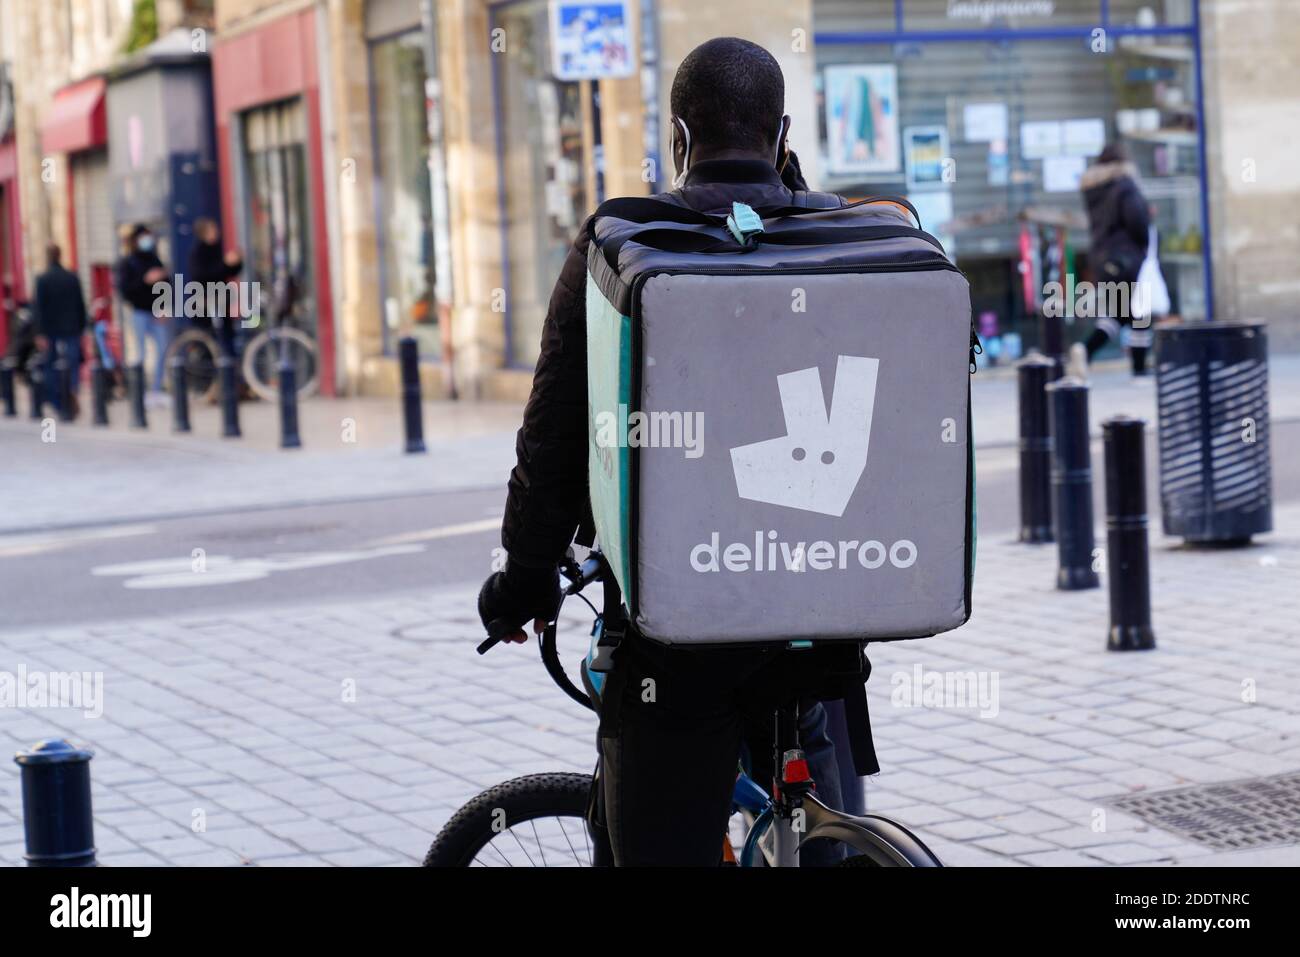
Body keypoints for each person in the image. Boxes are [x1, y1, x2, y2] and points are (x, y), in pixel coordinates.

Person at [477, 37, 873, 865]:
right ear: (783, 134)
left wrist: (520, 584)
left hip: (675, 641)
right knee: (814, 818)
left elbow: (552, 443)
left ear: (680, 140)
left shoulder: (623, 247)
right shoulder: (844, 242)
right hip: (817, 622)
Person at [1073, 143, 1152, 376]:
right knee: (1139, 314)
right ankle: (1139, 370)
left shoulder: (1093, 190)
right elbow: (1137, 220)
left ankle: (1084, 351)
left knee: (1119, 314)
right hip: (1127, 259)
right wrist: (1145, 242)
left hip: (1103, 259)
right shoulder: (1124, 186)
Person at [116, 223, 171, 401]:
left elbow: (166, 285)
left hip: (156, 312)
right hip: (139, 312)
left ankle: (156, 388)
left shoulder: (155, 260)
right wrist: (145, 280)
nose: (148, 241)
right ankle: (140, 390)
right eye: (144, 237)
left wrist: (165, 307)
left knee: (163, 348)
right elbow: (125, 291)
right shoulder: (128, 262)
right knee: (140, 352)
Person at [33, 244, 87, 418]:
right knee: (71, 363)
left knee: (51, 364)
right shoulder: (72, 277)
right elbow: (81, 304)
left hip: (51, 329)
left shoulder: (43, 279)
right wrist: (82, 327)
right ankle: (72, 393)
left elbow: (39, 308)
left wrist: (39, 333)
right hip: (71, 328)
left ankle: (56, 399)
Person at [186, 217, 244, 359]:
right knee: (210, 337)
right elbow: (202, 275)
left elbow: (227, 273)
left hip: (221, 299)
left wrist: (235, 263)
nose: (216, 232)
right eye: (213, 229)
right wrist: (225, 264)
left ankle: (230, 367)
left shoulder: (217, 248)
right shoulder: (198, 252)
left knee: (227, 335)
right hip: (205, 301)